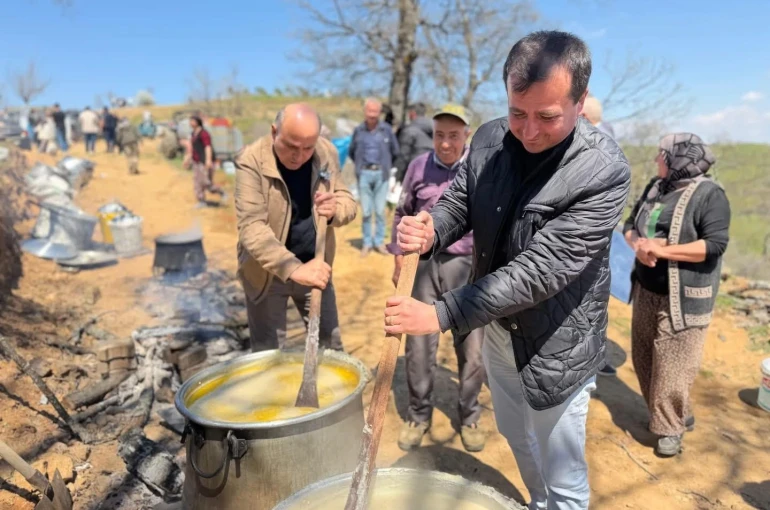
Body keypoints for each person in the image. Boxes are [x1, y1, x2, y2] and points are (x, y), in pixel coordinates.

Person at [387, 31, 631, 510]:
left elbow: (541, 271)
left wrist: (440, 314)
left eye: (547, 116)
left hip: (558, 340)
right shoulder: (489, 138)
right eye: (518, 112)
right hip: (497, 327)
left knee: (563, 473)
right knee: (515, 433)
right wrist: (432, 228)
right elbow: (460, 199)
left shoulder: (603, 172)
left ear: (580, 102)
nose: (529, 131)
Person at [623, 133, 730, 457]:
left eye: (662, 154)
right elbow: (630, 224)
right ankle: (678, 412)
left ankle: (670, 430)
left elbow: (714, 245)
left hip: (684, 297)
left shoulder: (710, 195)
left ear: (680, 160)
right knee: (644, 359)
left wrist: (664, 249)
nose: (658, 159)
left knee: (672, 367)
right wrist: (639, 246)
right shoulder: (656, 187)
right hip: (646, 288)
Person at [388, 103, 486, 453]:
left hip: (469, 269)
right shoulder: (418, 166)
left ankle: (470, 415)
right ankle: (418, 414)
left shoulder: (481, 168)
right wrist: (399, 256)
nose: (446, 143)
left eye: (454, 136)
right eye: (440, 135)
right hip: (423, 266)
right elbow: (401, 213)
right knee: (418, 345)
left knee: (473, 349)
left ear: (467, 136)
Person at [235, 103, 357, 351]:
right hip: (267, 273)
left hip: (316, 267)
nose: (298, 156)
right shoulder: (251, 161)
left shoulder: (326, 152)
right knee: (268, 355)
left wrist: (336, 210)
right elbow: (251, 227)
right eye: (291, 146)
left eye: (307, 148)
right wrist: (292, 268)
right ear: (274, 132)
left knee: (330, 348)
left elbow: (347, 201)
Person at [581, 95, 620, 377]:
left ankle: (590, 359)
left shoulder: (593, 143)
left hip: (584, 234)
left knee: (585, 298)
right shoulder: (611, 136)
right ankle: (595, 356)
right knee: (595, 297)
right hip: (601, 234)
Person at [348, 98, 400, 257]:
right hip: (364, 173)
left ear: (379, 113)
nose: (372, 115)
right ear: (365, 112)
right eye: (369, 111)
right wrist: (359, 167)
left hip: (381, 174)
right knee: (366, 211)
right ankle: (366, 243)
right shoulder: (358, 130)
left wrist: (387, 167)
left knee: (379, 211)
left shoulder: (386, 130)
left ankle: (378, 242)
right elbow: (352, 151)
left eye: (375, 111)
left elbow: (395, 151)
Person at [186, 116, 226, 208]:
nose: (190, 123)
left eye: (192, 121)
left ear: (197, 122)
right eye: (190, 121)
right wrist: (187, 159)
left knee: (206, 182)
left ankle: (221, 192)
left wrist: (208, 160)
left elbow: (207, 147)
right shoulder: (193, 134)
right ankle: (201, 201)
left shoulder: (204, 133)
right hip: (196, 161)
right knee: (197, 182)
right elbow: (191, 148)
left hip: (204, 161)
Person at [395, 102, 434, 183]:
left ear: (412, 113)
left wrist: (397, 176)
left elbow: (403, 156)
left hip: (414, 174)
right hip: (434, 174)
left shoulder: (409, 131)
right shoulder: (437, 131)